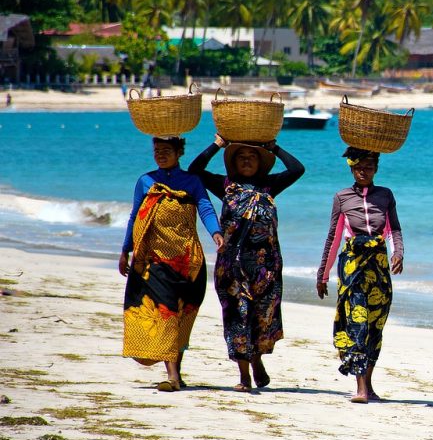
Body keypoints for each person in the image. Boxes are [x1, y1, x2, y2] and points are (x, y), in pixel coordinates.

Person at [188, 135, 305, 392]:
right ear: (234, 163)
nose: (247, 160)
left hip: (267, 267)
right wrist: (217, 144)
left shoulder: (269, 185)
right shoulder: (225, 185)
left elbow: (298, 169)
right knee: (236, 316)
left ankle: (256, 359)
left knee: (262, 318)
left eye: (252, 157)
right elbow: (194, 170)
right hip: (232, 266)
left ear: (261, 163)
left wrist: (274, 148)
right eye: (241, 157)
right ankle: (244, 376)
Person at [120, 136, 224, 392]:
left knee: (180, 316)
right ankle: (173, 377)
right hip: (154, 261)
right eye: (157, 151)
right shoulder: (146, 181)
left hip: (188, 261)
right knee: (165, 312)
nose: (160, 155)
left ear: (179, 153)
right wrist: (125, 249)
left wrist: (216, 233)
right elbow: (135, 216)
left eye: (166, 150)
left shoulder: (192, 181)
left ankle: (176, 372)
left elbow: (206, 209)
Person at [316, 147, 404, 403]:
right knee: (357, 322)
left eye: (368, 167)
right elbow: (333, 237)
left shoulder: (385, 195)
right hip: (352, 267)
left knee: (375, 326)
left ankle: (369, 384)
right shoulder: (342, 197)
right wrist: (323, 274)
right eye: (358, 167)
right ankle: (361, 388)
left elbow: (394, 229)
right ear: (352, 169)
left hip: (378, 268)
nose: (362, 171)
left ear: (376, 169)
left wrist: (398, 252)